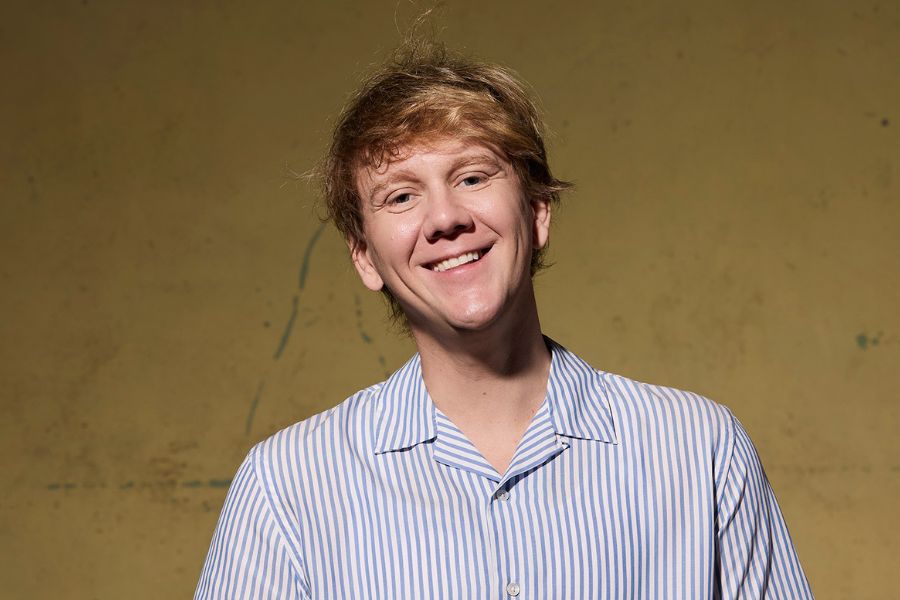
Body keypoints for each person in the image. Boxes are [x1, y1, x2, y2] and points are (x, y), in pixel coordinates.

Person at [195, 43, 814, 599]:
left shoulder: (699, 451)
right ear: (364, 256)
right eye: (401, 195)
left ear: (538, 211)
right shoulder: (289, 488)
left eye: (472, 176)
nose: (445, 218)